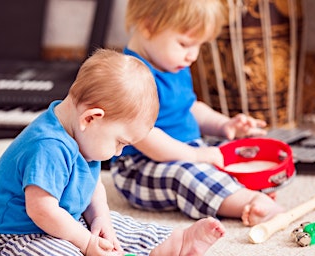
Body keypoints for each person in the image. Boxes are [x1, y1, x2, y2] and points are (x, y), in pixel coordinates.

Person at [0, 49, 225, 256]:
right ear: (92, 118)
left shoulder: (83, 136)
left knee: (117, 225)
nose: (118, 153)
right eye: (119, 142)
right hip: (13, 237)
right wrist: (85, 243)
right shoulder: (48, 146)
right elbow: (42, 210)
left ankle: (175, 244)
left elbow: (92, 186)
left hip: (61, 222)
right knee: (62, 250)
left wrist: (100, 219)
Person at [110, 0, 285, 227]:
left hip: (186, 149)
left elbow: (190, 107)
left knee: (231, 151)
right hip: (139, 166)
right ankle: (246, 201)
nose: (192, 55)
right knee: (185, 175)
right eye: (184, 44)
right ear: (148, 26)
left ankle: (237, 188)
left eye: (199, 45)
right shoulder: (130, 77)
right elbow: (145, 136)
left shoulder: (173, 65)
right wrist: (196, 156)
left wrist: (225, 124)